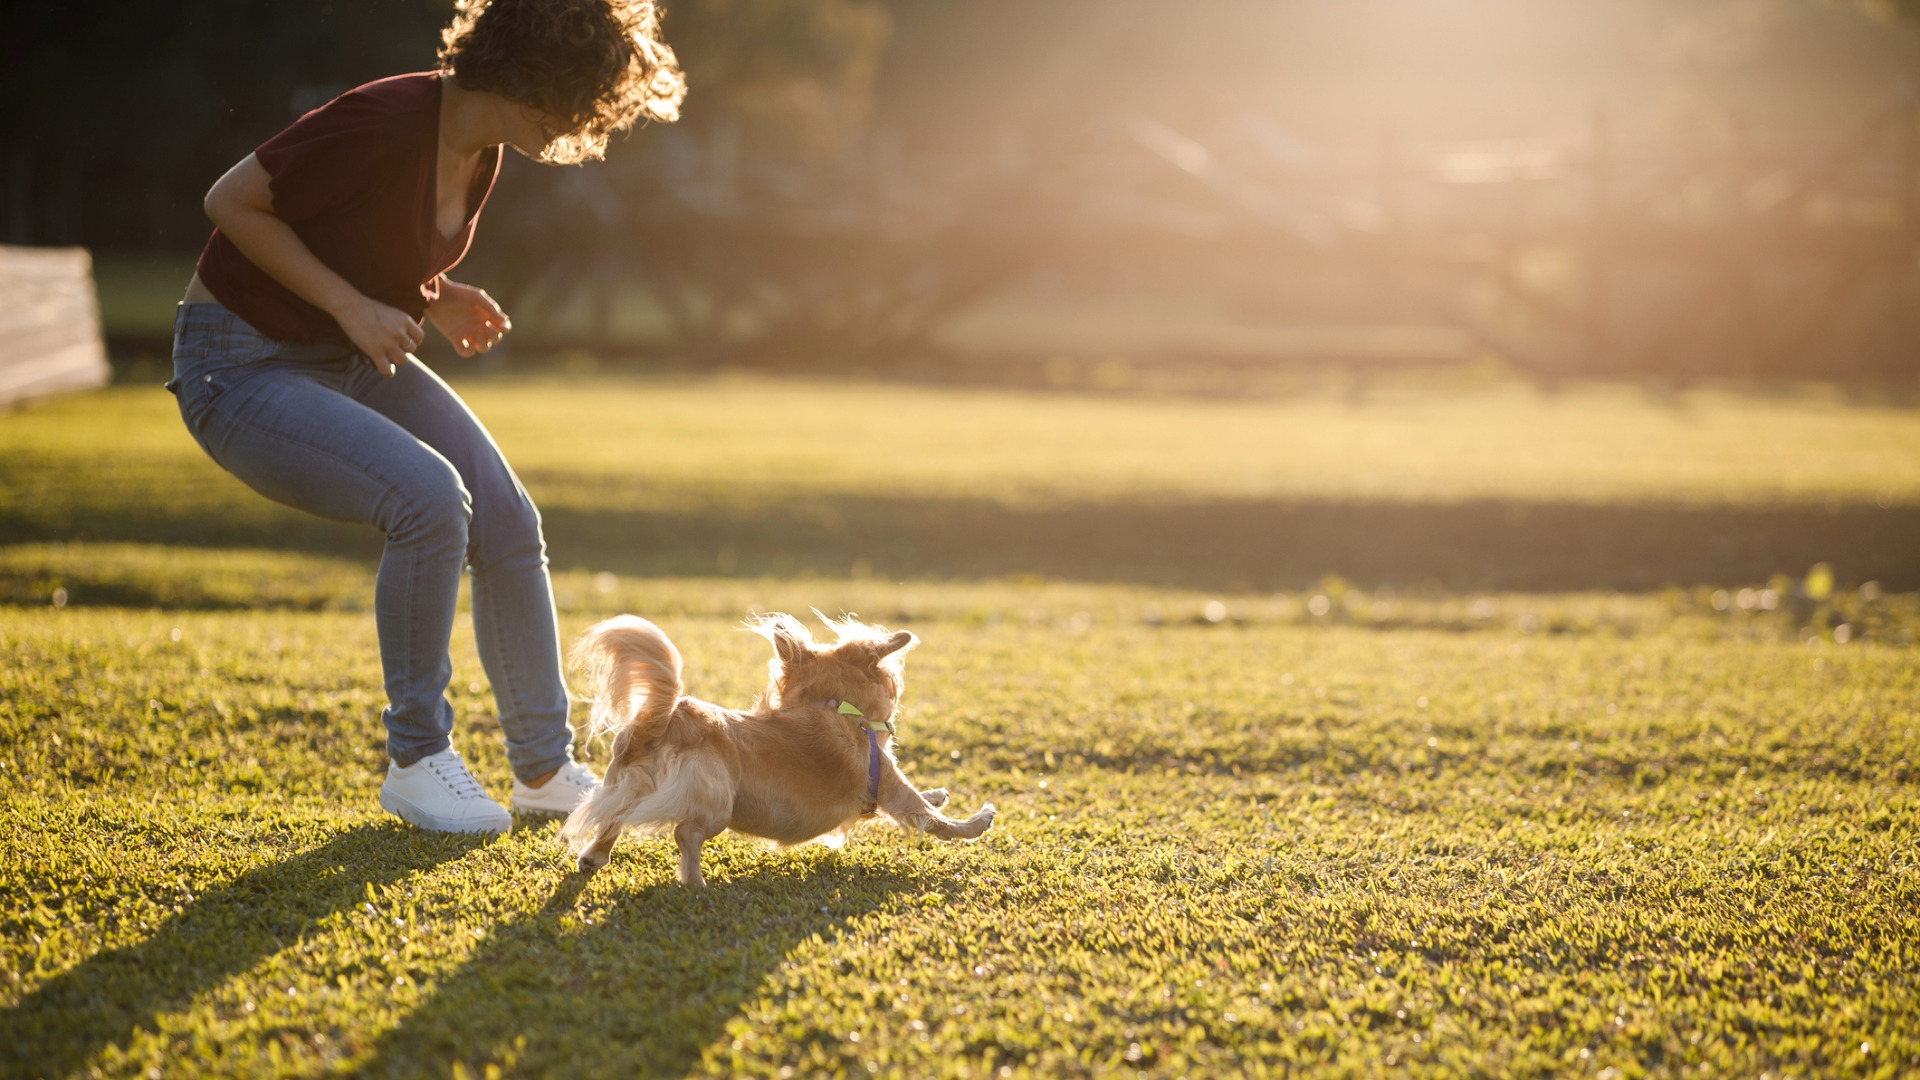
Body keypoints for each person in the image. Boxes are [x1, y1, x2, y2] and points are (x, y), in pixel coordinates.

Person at [169, 0, 685, 833]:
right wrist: (351, 308)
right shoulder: (385, 118)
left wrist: (432, 294)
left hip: (343, 357)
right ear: (530, 76)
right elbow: (230, 201)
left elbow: (354, 229)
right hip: (236, 365)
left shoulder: (482, 151)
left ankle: (546, 770)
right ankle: (416, 758)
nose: (577, 127)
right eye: (575, 101)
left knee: (510, 518)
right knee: (428, 498)